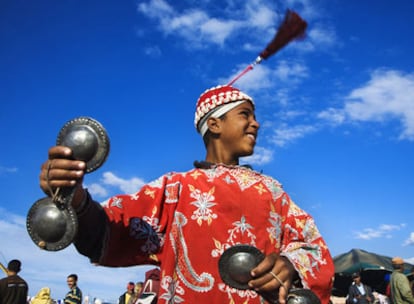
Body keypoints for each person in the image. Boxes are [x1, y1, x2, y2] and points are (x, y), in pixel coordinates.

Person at [39, 85, 335, 304]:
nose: (256, 123)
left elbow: (313, 247)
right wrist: (74, 199)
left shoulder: (272, 191)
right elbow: (110, 230)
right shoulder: (175, 189)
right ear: (215, 124)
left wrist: (290, 265)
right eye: (245, 114)